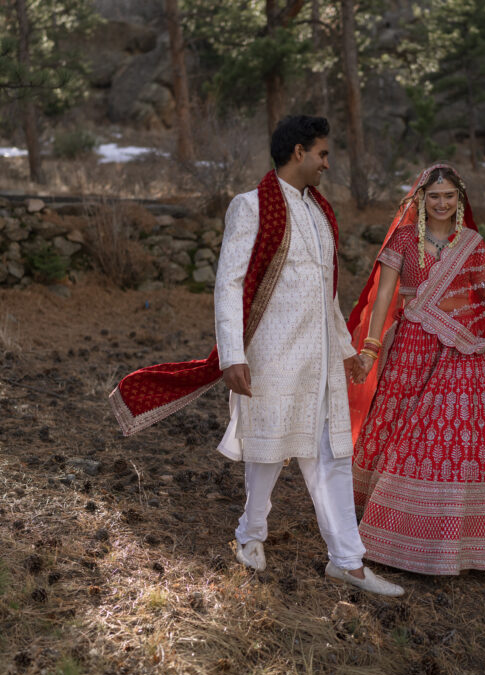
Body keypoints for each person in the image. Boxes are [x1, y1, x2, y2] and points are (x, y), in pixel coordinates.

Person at [110, 115, 403, 597]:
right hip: (271, 353)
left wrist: (347, 348)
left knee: (330, 455)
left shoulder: (321, 213)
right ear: (298, 153)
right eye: (323, 154)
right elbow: (229, 283)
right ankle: (250, 535)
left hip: (323, 358)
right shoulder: (250, 207)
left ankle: (347, 562)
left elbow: (328, 294)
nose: (328, 163)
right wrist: (231, 355)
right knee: (266, 453)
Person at [345, 163, 485, 576]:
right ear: (421, 199)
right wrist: (371, 348)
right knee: (402, 428)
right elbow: (383, 299)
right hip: (413, 348)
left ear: (459, 199)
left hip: (462, 352)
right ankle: (394, 529)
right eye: (434, 196)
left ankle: (461, 536)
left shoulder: (471, 243)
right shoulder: (403, 240)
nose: (441, 202)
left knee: (455, 431)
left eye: (449, 195)